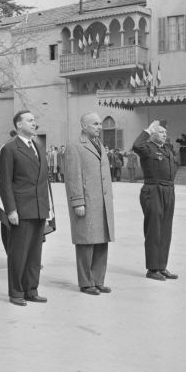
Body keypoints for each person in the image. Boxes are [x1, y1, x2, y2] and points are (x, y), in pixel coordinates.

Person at [0, 109, 50, 306]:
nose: (34, 123)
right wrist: (11, 210)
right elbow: (5, 183)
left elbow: (43, 182)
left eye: (34, 120)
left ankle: (31, 290)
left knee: (35, 254)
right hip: (21, 210)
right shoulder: (10, 149)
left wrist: (48, 208)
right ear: (19, 125)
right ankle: (16, 292)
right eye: (29, 120)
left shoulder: (38, 147)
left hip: (39, 208)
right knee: (18, 253)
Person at [64, 112, 115, 295]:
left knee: (102, 241)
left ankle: (98, 280)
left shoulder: (99, 145)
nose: (99, 127)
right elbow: (73, 177)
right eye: (95, 124)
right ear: (84, 126)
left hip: (102, 202)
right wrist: (78, 201)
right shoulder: (75, 146)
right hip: (86, 201)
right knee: (86, 242)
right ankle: (86, 282)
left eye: (100, 124)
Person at [133, 119, 179, 282]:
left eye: (165, 132)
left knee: (165, 230)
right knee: (154, 230)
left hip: (168, 190)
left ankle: (162, 266)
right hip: (153, 190)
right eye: (160, 132)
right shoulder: (147, 148)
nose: (164, 135)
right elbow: (136, 146)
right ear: (152, 134)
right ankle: (152, 269)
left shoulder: (167, 149)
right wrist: (147, 130)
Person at [0, 129, 18, 254]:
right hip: (11, 196)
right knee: (10, 227)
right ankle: (13, 256)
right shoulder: (6, 148)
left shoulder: (34, 147)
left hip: (30, 198)